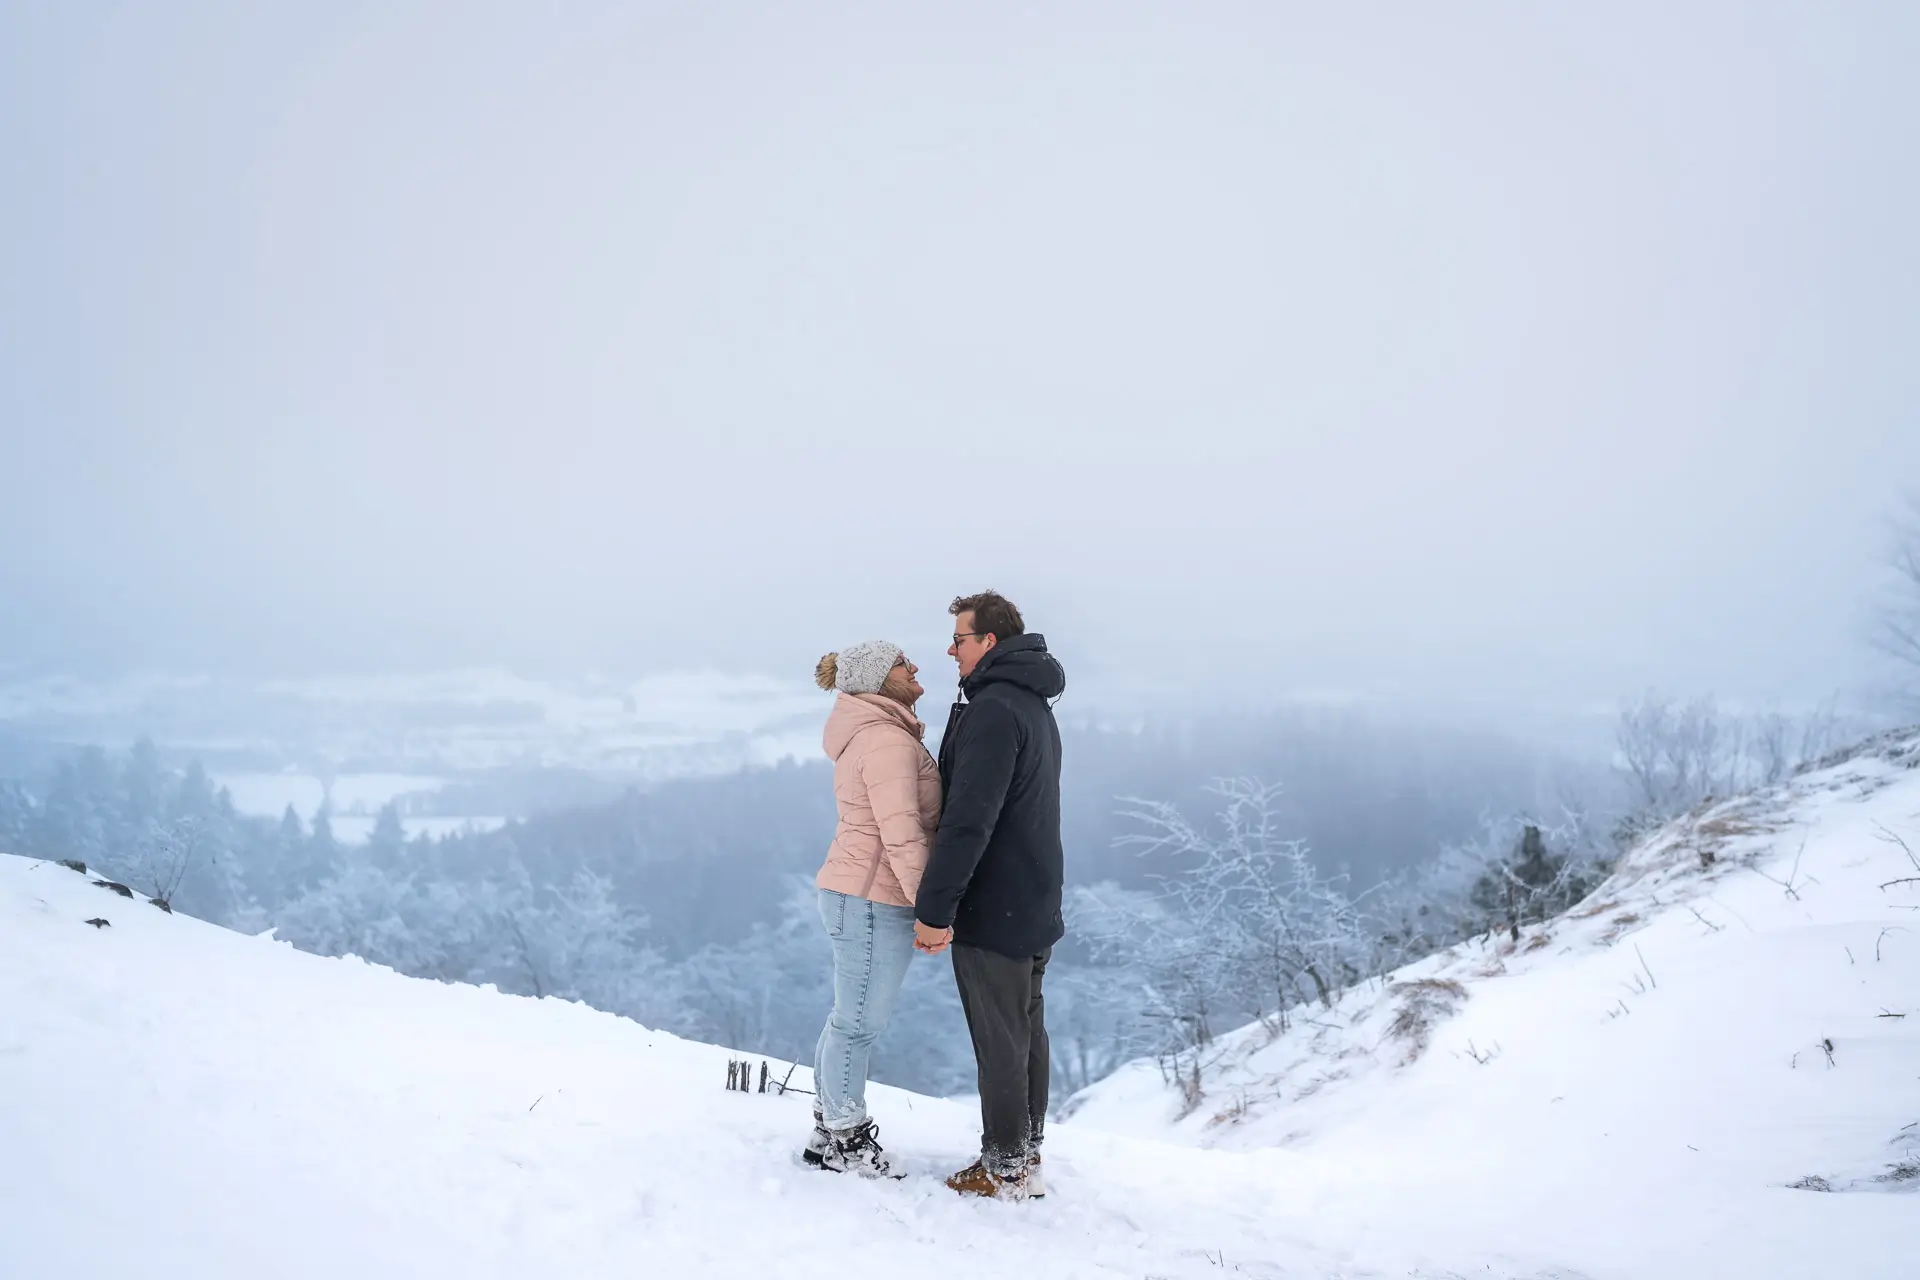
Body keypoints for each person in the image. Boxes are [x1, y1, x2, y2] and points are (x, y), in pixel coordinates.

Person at [913, 591, 1066, 1200]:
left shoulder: (995, 711)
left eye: (959, 638)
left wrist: (934, 908)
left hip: (994, 901)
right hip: (1032, 894)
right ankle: (1024, 1152)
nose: (950, 650)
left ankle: (1002, 1165)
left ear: (988, 644)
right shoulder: (1031, 705)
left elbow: (968, 821)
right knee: (1026, 1029)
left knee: (1000, 1038)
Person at [804, 640, 940, 1177]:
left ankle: (828, 1128)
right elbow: (902, 832)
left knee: (849, 1018)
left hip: (858, 894)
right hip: (870, 899)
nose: (916, 668)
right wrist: (930, 909)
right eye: (905, 663)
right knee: (858, 1023)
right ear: (882, 677)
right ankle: (845, 1140)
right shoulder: (885, 740)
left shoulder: (880, 733)